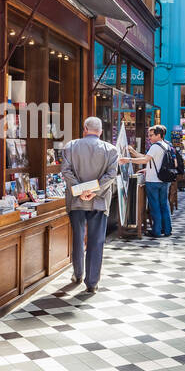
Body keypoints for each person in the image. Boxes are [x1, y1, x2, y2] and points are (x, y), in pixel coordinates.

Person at [60, 116, 122, 295]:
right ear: (101, 131)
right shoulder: (110, 149)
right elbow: (111, 175)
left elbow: (66, 171)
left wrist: (81, 191)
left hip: (76, 202)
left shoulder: (70, 146)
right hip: (100, 201)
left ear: (84, 128)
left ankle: (77, 274)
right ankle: (92, 282)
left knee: (78, 238)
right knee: (96, 241)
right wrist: (94, 191)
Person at [122, 125, 173, 238]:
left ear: (158, 135)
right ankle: (167, 229)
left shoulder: (155, 146)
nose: (149, 137)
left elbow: (145, 159)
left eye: (151, 135)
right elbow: (154, 160)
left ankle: (157, 231)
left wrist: (128, 159)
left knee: (154, 206)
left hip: (153, 181)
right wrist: (134, 153)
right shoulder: (167, 146)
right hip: (164, 180)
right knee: (164, 205)